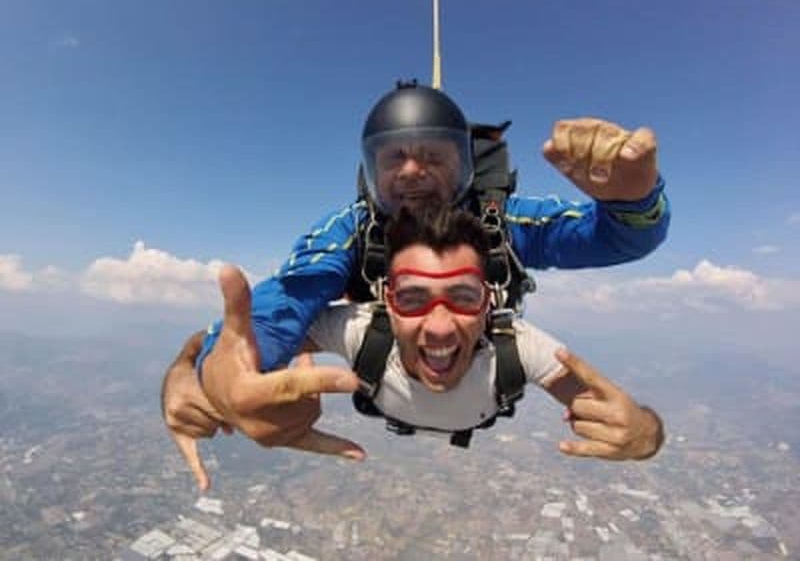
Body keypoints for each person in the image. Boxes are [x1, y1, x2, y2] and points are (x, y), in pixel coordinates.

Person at [163, 81, 670, 486]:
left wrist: (633, 201)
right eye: (394, 158)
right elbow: (284, 305)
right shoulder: (349, 232)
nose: (412, 171)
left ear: (465, 165)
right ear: (371, 171)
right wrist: (216, 371)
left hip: (474, 377)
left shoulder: (501, 221)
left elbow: (611, 239)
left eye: (432, 156)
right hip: (409, 376)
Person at [170, 206, 664, 490]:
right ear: (386, 301)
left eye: (465, 297)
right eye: (412, 299)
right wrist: (193, 379)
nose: (441, 327)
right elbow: (237, 357)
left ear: (490, 302)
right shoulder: (360, 329)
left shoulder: (520, 348)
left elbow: (615, 416)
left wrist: (644, 433)